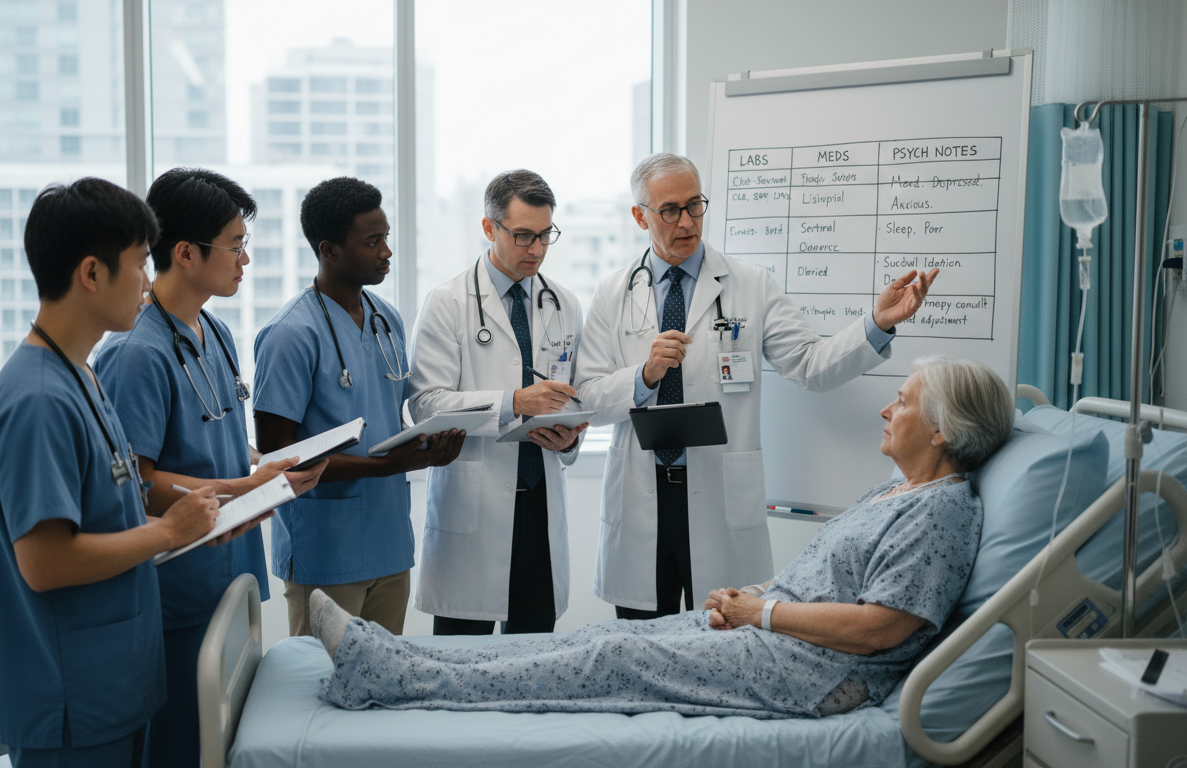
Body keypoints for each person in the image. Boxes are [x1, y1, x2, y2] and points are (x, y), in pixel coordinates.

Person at [309, 357, 1014, 719]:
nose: (889, 407)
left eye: (906, 402)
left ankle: (396, 678)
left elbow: (884, 628)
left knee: (613, 656)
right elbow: (836, 582)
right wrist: (755, 595)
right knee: (591, 641)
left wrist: (758, 611)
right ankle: (391, 655)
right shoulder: (897, 491)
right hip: (779, 639)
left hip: (819, 675)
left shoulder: (940, 513)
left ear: (944, 430)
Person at [575, 152, 940, 620]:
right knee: (641, 640)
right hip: (643, 491)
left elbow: (811, 364)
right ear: (639, 215)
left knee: (724, 634)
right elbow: (588, 396)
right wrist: (644, 376)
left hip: (720, 488)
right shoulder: (613, 292)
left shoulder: (750, 285)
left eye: (695, 205)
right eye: (670, 210)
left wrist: (876, 323)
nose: (686, 221)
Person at [0, 178, 227, 767]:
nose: (148, 280)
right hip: (70, 697)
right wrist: (168, 532)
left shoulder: (81, 376)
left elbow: (112, 509)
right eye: (140, 263)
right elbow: (46, 562)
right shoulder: (37, 399)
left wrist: (201, 523)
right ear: (91, 273)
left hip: (112, 680)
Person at [93, 168, 325, 768]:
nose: (245, 259)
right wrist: (244, 486)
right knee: (179, 748)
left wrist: (270, 465)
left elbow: (214, 437)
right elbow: (137, 483)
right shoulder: (135, 354)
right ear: (186, 253)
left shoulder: (214, 331)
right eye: (234, 245)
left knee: (222, 745)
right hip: (177, 589)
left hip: (229, 575)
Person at [253, 176, 464, 637]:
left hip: (389, 544)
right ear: (329, 250)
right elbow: (278, 458)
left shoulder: (387, 319)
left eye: (386, 238)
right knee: (322, 695)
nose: (386, 251)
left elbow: (386, 415)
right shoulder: (290, 334)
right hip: (326, 552)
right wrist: (388, 465)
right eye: (372, 242)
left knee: (383, 693)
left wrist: (426, 444)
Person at [409, 170, 588, 635]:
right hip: (475, 501)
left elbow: (571, 394)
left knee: (532, 655)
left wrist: (568, 436)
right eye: (523, 235)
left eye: (546, 235)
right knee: (461, 658)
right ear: (489, 228)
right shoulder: (447, 302)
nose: (537, 249)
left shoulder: (563, 303)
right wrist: (512, 402)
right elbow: (426, 404)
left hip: (540, 499)